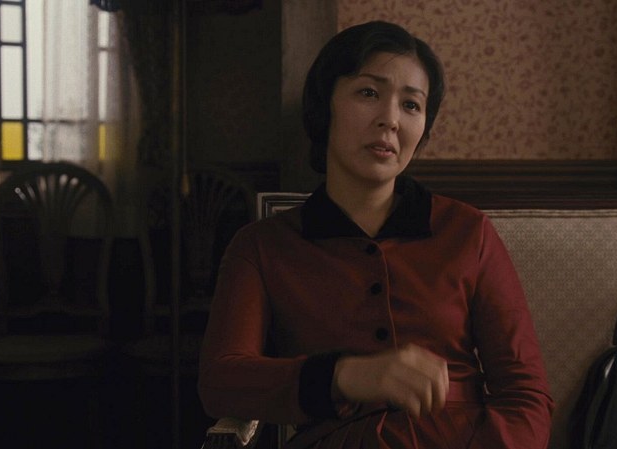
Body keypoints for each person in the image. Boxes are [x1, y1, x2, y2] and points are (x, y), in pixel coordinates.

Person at [198, 20, 553, 449]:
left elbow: (525, 394)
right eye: (368, 93)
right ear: (324, 106)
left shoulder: (468, 232)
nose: (390, 120)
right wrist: (343, 376)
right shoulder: (262, 246)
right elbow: (221, 381)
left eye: (411, 105)